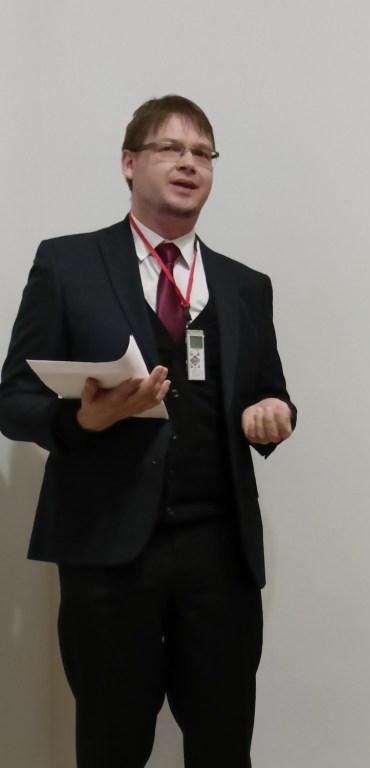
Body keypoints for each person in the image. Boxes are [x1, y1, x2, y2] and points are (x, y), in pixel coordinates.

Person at [0, 95, 296, 767]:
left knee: (223, 747)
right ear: (129, 164)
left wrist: (274, 415)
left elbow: (269, 393)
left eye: (203, 153)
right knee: (112, 746)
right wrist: (80, 420)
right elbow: (13, 398)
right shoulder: (67, 265)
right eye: (170, 148)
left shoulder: (246, 287)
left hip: (220, 554)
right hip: (108, 553)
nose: (189, 163)